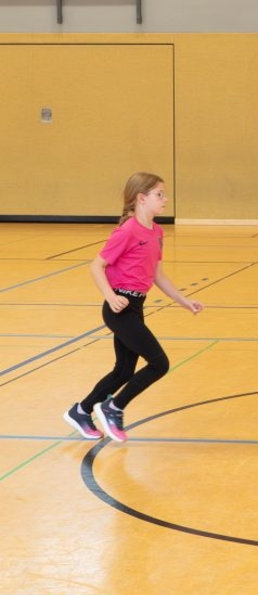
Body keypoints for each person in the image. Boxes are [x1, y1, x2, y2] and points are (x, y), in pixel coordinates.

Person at [63, 173, 203, 443]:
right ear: (141, 199)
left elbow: (157, 275)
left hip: (136, 306)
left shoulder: (158, 232)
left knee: (124, 371)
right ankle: (113, 407)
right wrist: (111, 296)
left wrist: (184, 301)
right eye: (159, 194)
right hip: (119, 308)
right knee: (159, 363)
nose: (165, 199)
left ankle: (80, 411)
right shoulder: (127, 230)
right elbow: (96, 266)